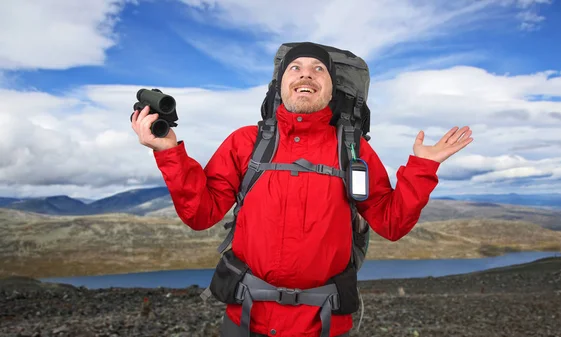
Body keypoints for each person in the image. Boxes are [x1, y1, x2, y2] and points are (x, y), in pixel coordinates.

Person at [130, 42, 473, 337]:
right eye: (295, 67)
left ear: (331, 88)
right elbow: (200, 213)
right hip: (246, 321)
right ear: (280, 85)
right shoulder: (246, 142)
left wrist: (423, 167)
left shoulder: (353, 149)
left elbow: (392, 223)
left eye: (318, 69)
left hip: (323, 324)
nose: (306, 74)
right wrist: (168, 152)